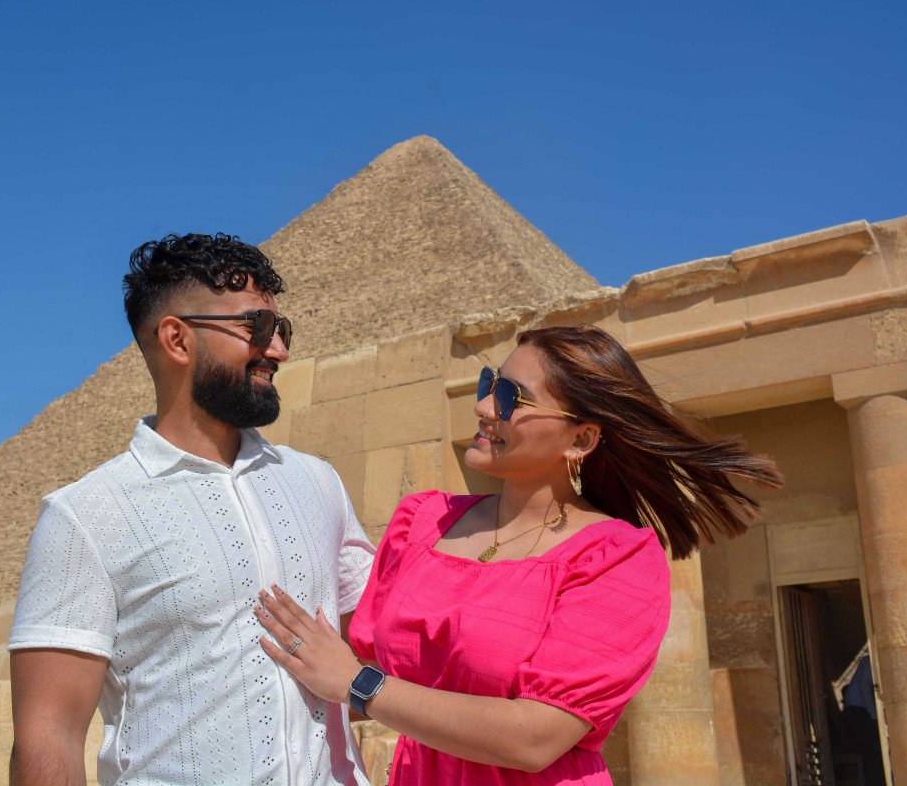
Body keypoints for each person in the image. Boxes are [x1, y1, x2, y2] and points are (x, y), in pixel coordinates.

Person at [254, 324, 782, 785]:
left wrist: (356, 683)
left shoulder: (616, 558)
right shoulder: (422, 522)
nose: (484, 407)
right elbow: (359, 666)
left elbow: (535, 738)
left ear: (581, 439)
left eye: (512, 397)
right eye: (490, 383)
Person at [8, 233, 375, 786]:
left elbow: (388, 645)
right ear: (177, 340)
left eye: (281, 328)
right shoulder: (87, 515)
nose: (279, 350)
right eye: (256, 327)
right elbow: (49, 734)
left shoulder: (317, 483)